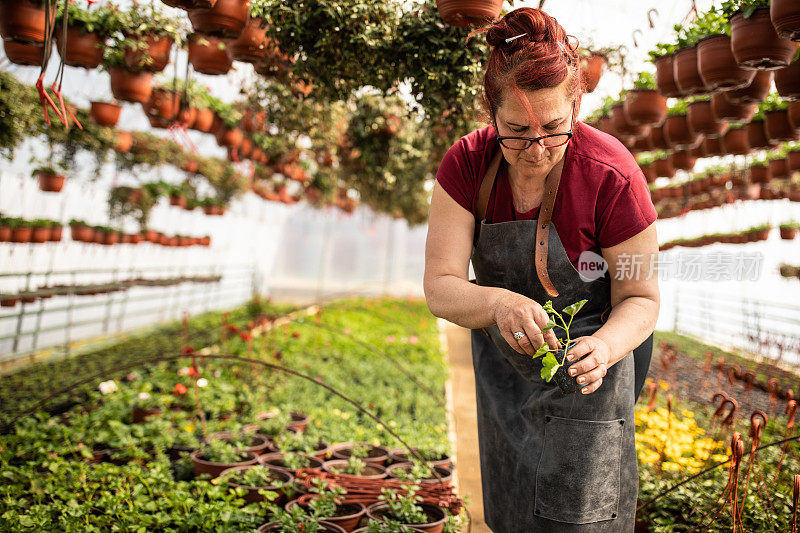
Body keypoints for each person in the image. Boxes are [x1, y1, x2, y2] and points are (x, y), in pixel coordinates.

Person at [423, 7, 660, 532]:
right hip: (505, 371)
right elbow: (440, 287)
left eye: (554, 128)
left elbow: (641, 298)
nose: (537, 150)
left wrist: (603, 347)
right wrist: (497, 302)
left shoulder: (612, 174)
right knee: (512, 507)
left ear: (576, 104)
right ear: (492, 113)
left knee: (580, 516)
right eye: (516, 131)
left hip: (590, 369)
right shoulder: (465, 165)